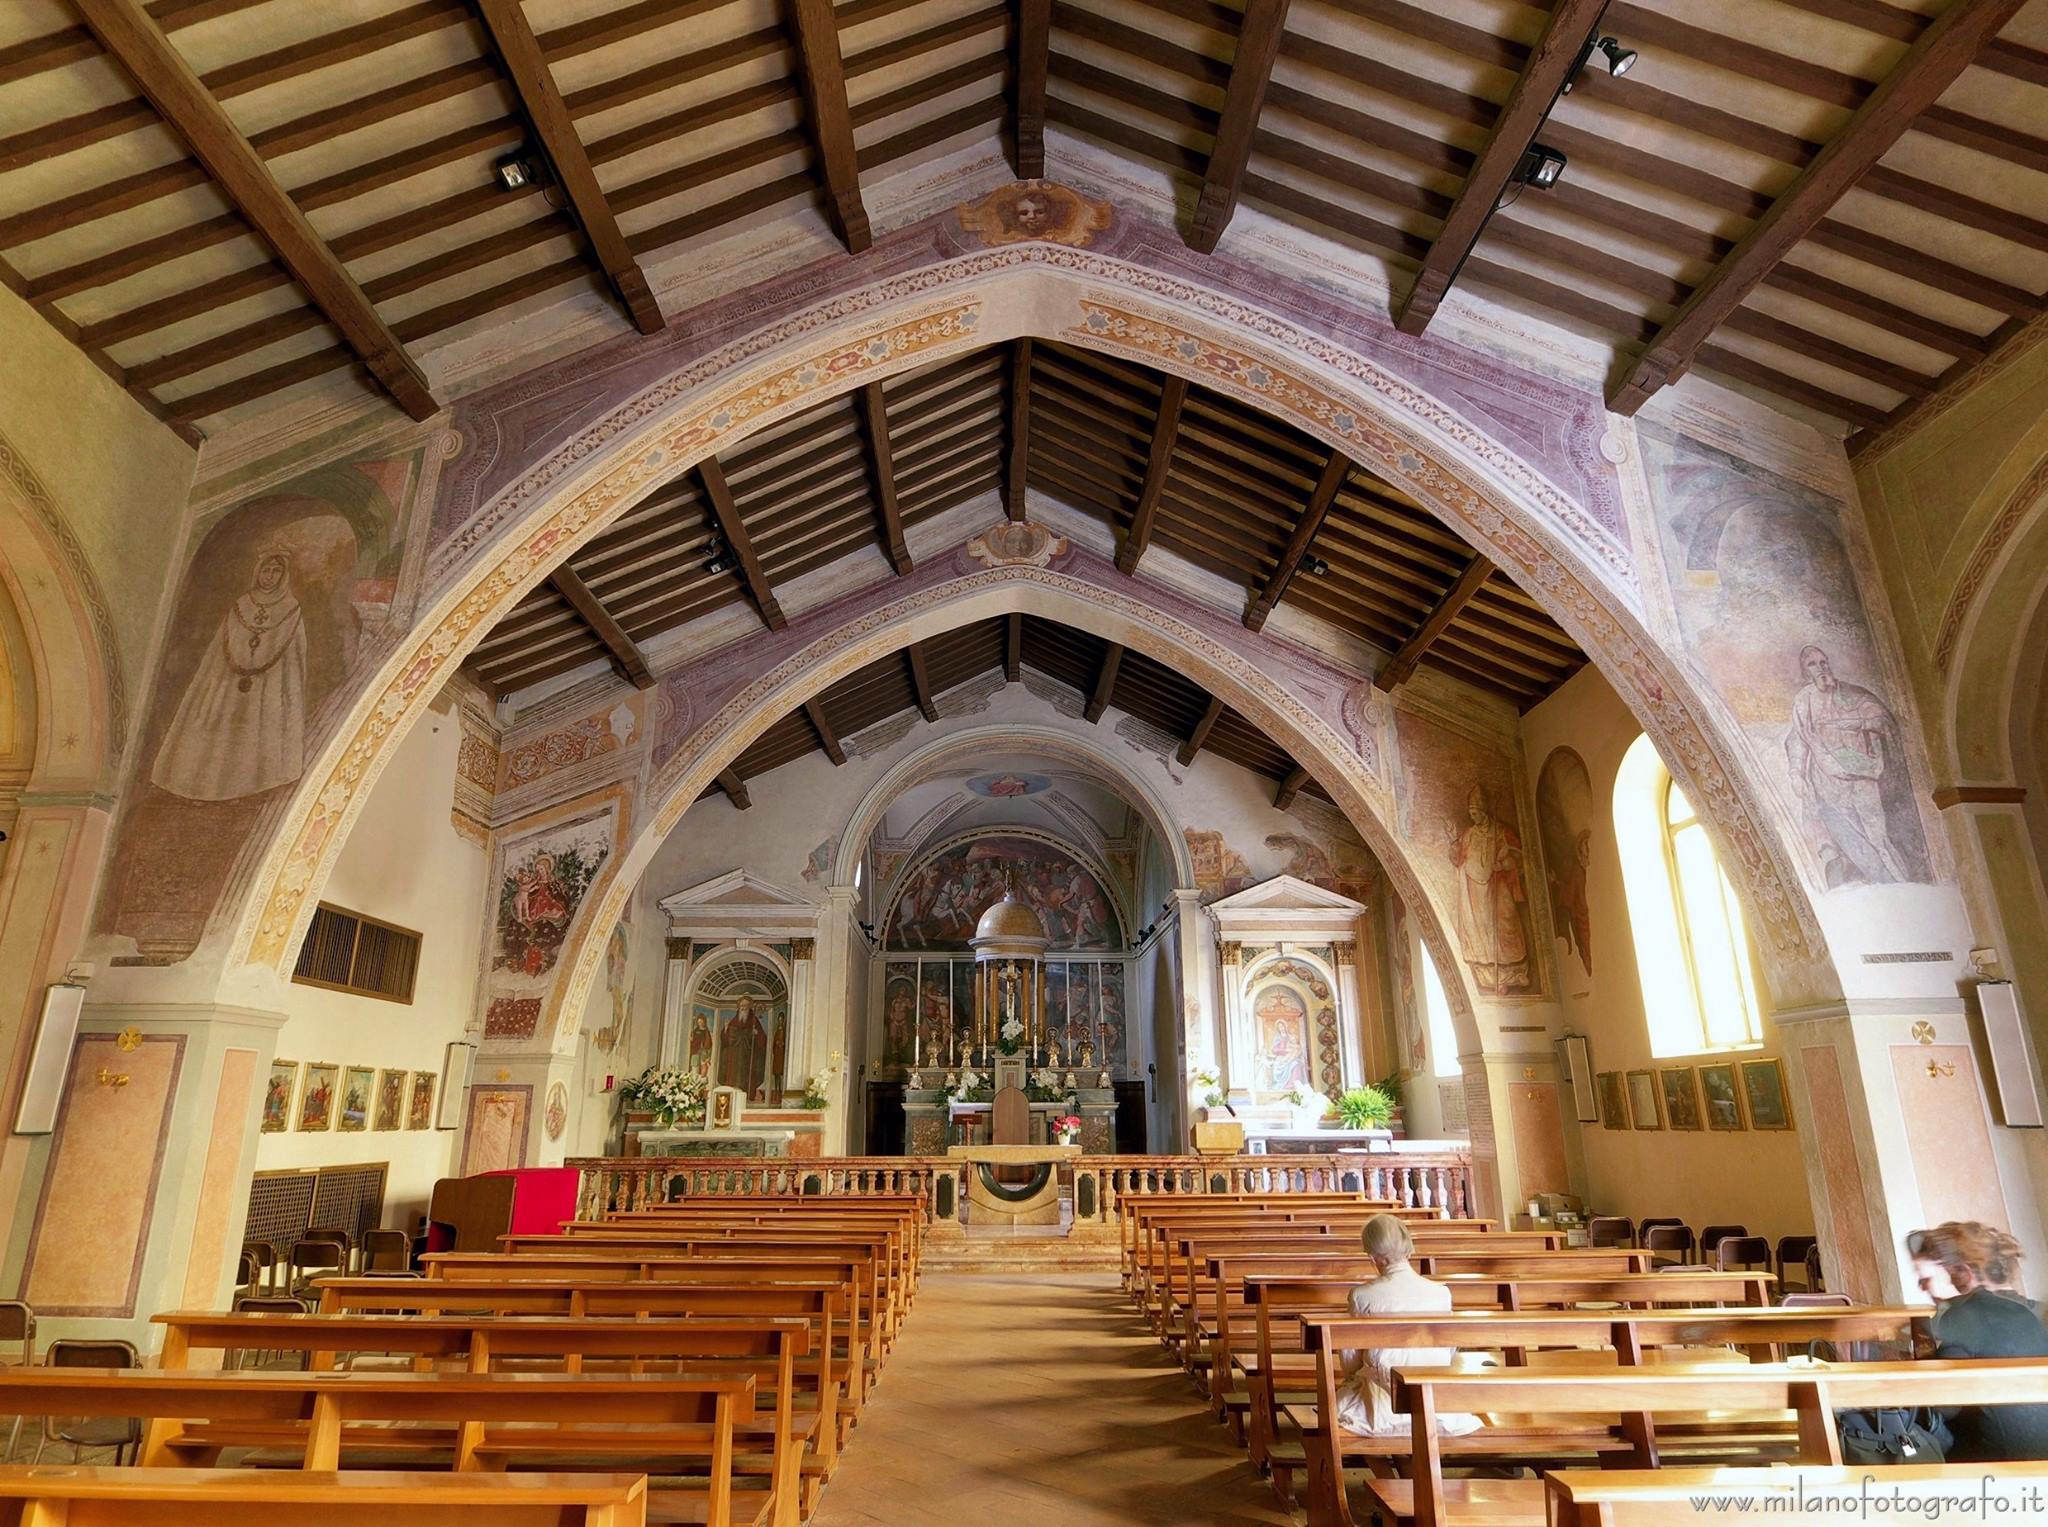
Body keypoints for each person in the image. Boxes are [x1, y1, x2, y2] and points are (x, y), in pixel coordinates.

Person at [1905, 1221, 2048, 1461]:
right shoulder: (2026, 1312)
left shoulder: (1963, 1315)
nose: (1923, 1288)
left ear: (1955, 1270)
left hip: (2002, 1460)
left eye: (1926, 1278)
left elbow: (1943, 1406)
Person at [1335, 1215, 1482, 1437]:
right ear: (1409, 1251)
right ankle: (1412, 1468)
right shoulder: (1441, 1292)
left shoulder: (1361, 1296)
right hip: (1434, 1399)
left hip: (1383, 1404)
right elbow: (1449, 1351)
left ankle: (1403, 1469)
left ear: (1373, 1258)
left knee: (1340, 1412)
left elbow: (1351, 1362)